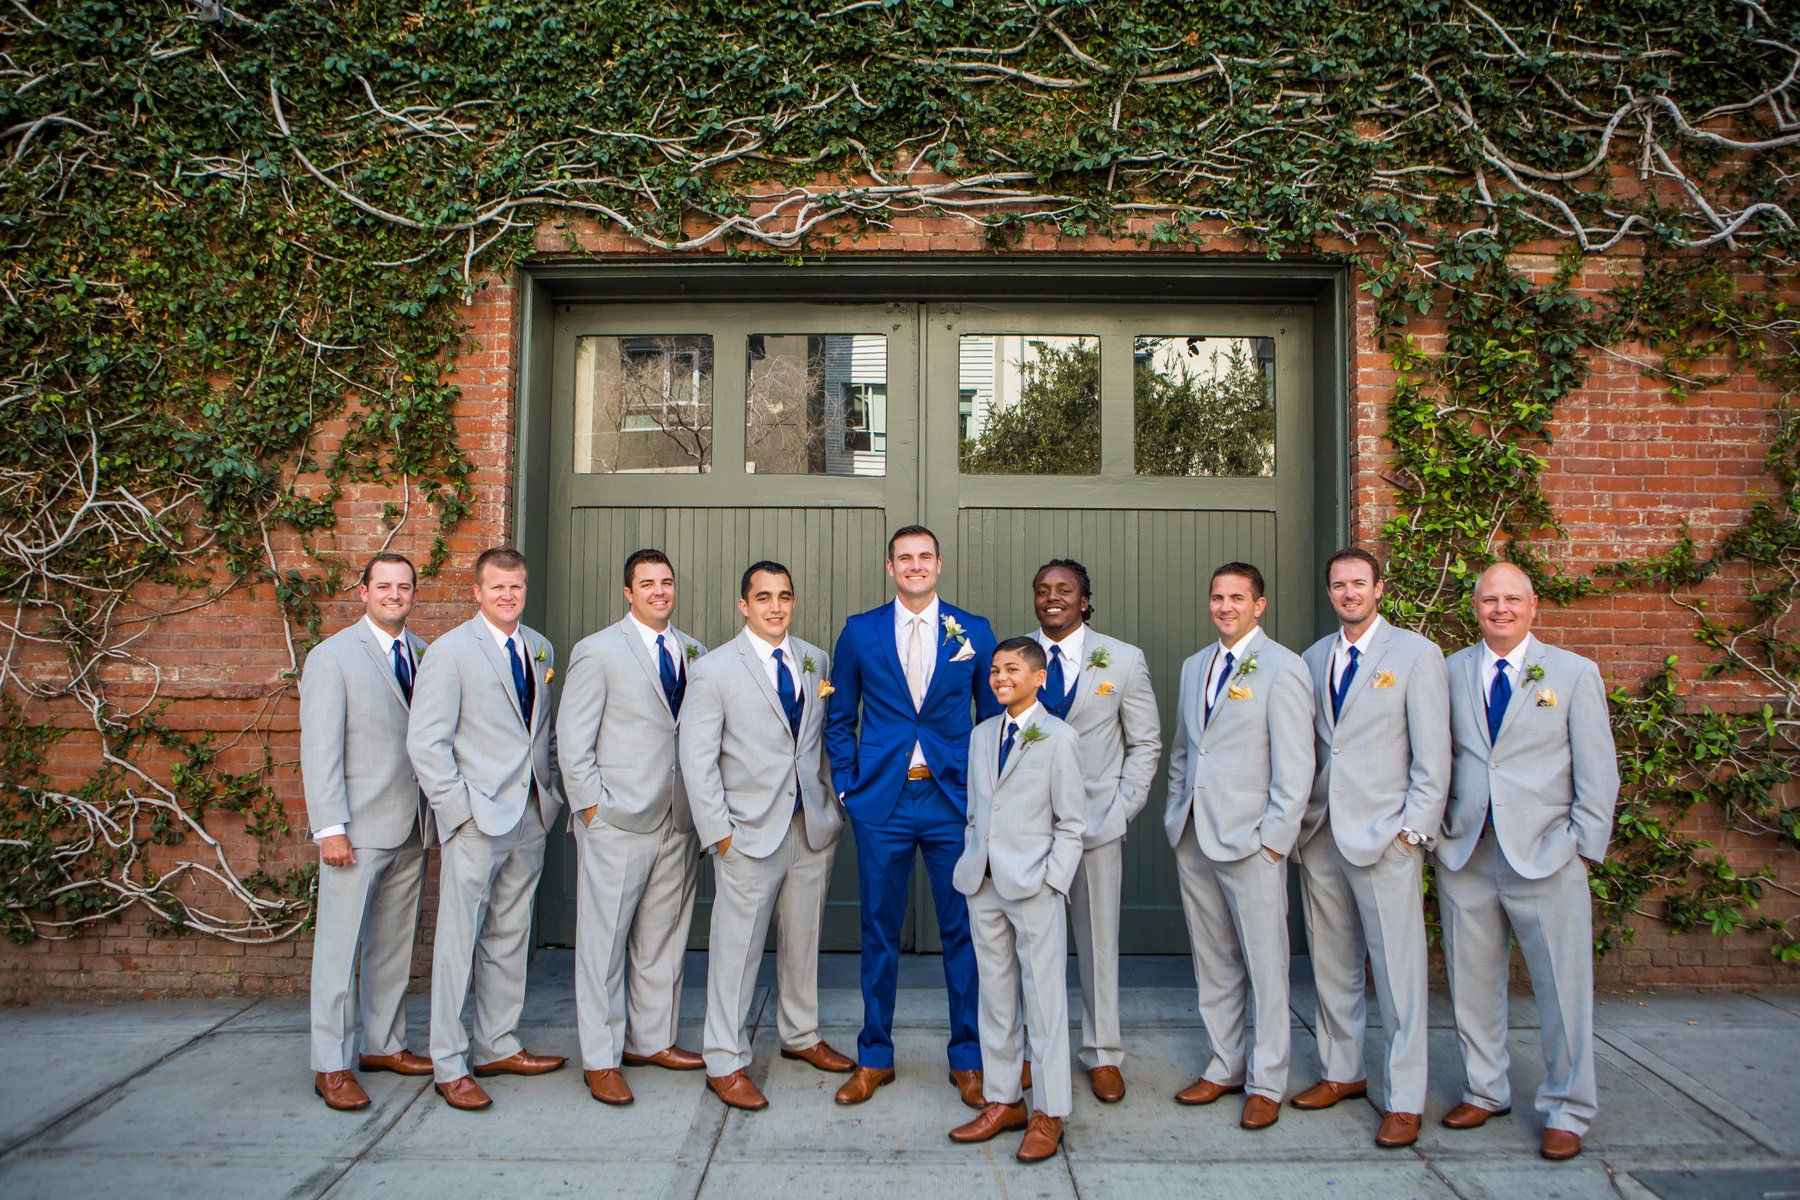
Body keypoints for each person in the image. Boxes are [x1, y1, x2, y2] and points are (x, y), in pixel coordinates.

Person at [1434, 562, 1619, 1161]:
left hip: (1546, 854)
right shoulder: (1449, 671)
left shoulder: (1572, 673)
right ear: (1475, 607)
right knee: (1471, 983)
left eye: (1512, 599)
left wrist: (1582, 849)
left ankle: (1568, 1108)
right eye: (1490, 600)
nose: (1501, 609)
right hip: (1467, 852)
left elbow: (1599, 772)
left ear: (1533, 606)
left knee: (1563, 990)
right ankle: (1484, 1090)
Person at [825, 525, 1001, 1107]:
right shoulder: (860, 631)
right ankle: (874, 1055)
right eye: (905, 557)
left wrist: (984, 792)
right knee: (878, 930)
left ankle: (969, 1058)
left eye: (925, 556)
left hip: (952, 801)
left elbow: (992, 719)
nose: (916, 565)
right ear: (890, 566)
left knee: (963, 932)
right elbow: (840, 717)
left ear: (939, 564)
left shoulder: (973, 631)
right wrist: (848, 788)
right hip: (884, 802)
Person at [679, 561, 854, 1111]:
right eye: (763, 597)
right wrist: (719, 835)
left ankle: (801, 1034)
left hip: (810, 827)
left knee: (804, 940)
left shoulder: (815, 659)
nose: (775, 607)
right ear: (744, 605)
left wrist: (832, 808)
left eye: (784, 596)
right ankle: (724, 1060)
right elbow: (697, 759)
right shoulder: (713, 670)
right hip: (747, 833)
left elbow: (818, 742)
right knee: (736, 951)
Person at [1293, 548, 1449, 1148]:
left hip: (1386, 836)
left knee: (1398, 972)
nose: (1349, 593)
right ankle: (1342, 1071)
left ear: (1379, 588)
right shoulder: (1313, 658)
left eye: (1359, 583)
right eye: (1339, 585)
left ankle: (1405, 1098)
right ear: (1329, 592)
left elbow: (1433, 754)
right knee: (1331, 962)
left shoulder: (1415, 654)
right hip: (1323, 832)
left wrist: (1413, 832)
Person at [408, 546, 567, 1111]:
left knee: (510, 933)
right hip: (477, 819)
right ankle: (449, 1063)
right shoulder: (450, 652)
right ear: (477, 592)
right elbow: (425, 743)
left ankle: (497, 1043)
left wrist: (550, 791)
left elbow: (541, 730)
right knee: (458, 941)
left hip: (531, 814)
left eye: (516, 586)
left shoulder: (539, 646)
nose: (508, 595)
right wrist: (459, 812)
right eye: (497, 587)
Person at [1163, 561, 1313, 1130]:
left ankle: (1267, 1080)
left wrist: (1273, 842)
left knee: (1266, 965)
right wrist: (1177, 812)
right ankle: (1224, 1064)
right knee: (1213, 958)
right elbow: (1185, 750)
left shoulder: (1284, 667)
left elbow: (1296, 765)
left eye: (1237, 598)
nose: (1225, 606)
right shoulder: (1194, 665)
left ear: (1259, 605)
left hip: (1252, 842)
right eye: (1217, 597)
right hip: (1195, 835)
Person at [556, 548, 707, 1106]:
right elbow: (571, 740)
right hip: (617, 819)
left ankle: (652, 1040)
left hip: (678, 818)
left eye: (666, 582)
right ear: (628, 592)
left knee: (663, 938)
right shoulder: (596, 651)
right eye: (648, 584)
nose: (660, 591)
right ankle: (601, 1058)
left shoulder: (694, 651)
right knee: (603, 944)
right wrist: (592, 809)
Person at [301, 552, 434, 1110]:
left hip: (413, 824)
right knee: (339, 949)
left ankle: (384, 1044)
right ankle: (331, 1064)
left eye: (404, 587)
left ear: (414, 594)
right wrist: (330, 828)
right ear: (363, 592)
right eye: (384, 586)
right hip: (355, 829)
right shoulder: (332, 657)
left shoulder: (424, 653)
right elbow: (320, 748)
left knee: (393, 944)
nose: (394, 595)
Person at [1028, 559, 1161, 1102]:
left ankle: (1103, 1052)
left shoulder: (1123, 660)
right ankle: (1034, 1051)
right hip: (1031, 831)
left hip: (1096, 827)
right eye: (1043, 590)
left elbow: (1145, 743)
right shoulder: (1018, 658)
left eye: (1064, 589)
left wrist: (1120, 812)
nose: (1052, 597)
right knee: (1032, 948)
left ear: (1084, 600)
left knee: (1099, 944)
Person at [948, 638, 1085, 1162]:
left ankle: (1049, 1112)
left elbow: (1071, 822)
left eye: (1012, 669)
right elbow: (976, 809)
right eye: (995, 670)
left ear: (1039, 677)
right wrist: (973, 856)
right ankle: (1004, 1100)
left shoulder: (1059, 737)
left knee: (1044, 1003)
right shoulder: (982, 734)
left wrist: (1053, 881)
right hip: (982, 884)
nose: (1001, 677)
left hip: (1034, 887)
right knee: (996, 998)